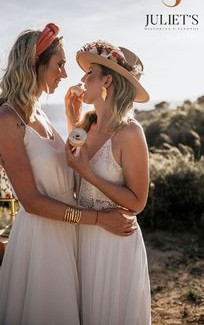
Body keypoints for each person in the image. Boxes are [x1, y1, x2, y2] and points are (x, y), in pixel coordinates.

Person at [0, 25, 135, 325]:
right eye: (59, 64)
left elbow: (68, 169)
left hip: (67, 234)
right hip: (41, 241)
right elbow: (31, 201)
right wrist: (99, 219)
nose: (65, 73)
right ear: (34, 64)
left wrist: (72, 120)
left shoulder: (38, 113)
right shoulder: (7, 120)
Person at [65, 40, 151, 325]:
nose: (82, 79)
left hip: (116, 245)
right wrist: (70, 119)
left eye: (90, 73)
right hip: (83, 237)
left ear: (107, 81)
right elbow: (75, 174)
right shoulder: (86, 125)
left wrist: (89, 172)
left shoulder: (129, 132)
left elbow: (138, 202)